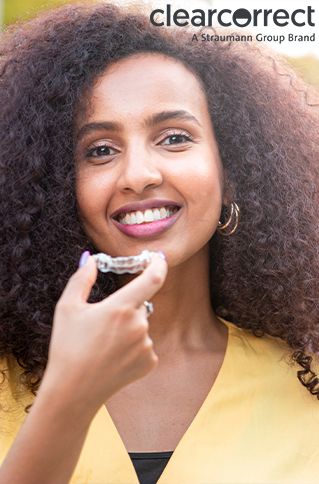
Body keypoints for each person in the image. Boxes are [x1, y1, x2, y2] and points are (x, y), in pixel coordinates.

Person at [0, 2, 319, 483]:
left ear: (229, 171)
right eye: (100, 150)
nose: (139, 176)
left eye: (174, 138)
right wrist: (67, 398)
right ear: (54, 187)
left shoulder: (308, 384)